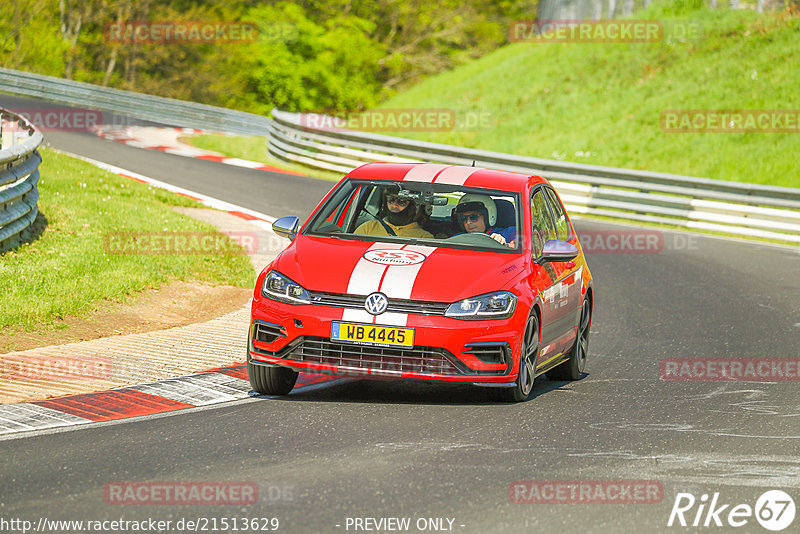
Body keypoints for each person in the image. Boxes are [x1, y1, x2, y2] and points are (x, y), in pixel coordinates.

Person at [354, 187, 433, 238]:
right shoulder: (368, 228)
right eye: (391, 200)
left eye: (402, 202)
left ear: (413, 206)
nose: (394, 205)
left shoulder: (424, 237)